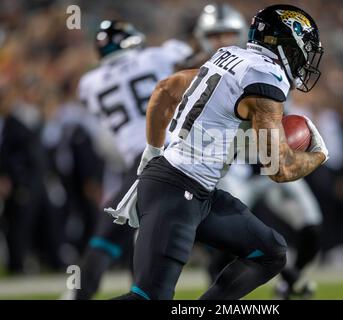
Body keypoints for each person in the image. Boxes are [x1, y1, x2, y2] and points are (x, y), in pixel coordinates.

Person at [110, 4, 329, 300]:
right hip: (177, 190)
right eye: (302, 50)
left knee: (270, 252)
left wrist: (152, 149)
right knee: (149, 298)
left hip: (196, 189)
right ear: (286, 44)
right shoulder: (265, 77)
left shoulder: (229, 55)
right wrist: (318, 153)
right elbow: (280, 169)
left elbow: (164, 89)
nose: (303, 59)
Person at [63, 20, 192, 299]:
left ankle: (80, 294)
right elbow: (190, 56)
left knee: (110, 236)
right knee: (134, 232)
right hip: (169, 153)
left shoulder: (89, 83)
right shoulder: (158, 56)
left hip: (142, 159)